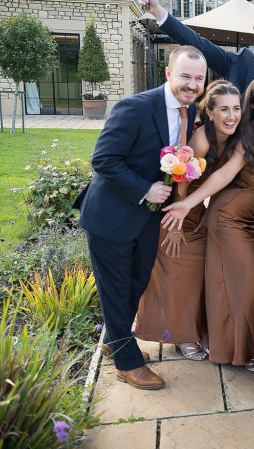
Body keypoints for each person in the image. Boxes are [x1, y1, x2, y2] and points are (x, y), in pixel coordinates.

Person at [74, 46, 206, 390]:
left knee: (135, 283)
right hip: (112, 216)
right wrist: (145, 189)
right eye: (185, 76)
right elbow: (103, 159)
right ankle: (126, 361)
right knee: (116, 289)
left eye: (198, 78)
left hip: (147, 219)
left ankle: (113, 340)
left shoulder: (187, 112)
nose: (192, 84)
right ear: (168, 74)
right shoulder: (134, 107)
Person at [162, 76, 254, 374]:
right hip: (230, 218)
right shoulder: (250, 135)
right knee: (251, 283)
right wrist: (188, 203)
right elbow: (224, 175)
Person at [134, 80, 242, 361]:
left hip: (201, 211)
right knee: (180, 274)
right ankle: (180, 336)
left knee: (200, 277)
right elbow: (182, 181)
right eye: (224, 110)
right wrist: (177, 226)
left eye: (237, 109)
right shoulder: (202, 140)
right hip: (179, 211)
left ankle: (196, 329)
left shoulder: (235, 135)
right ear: (209, 112)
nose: (231, 116)